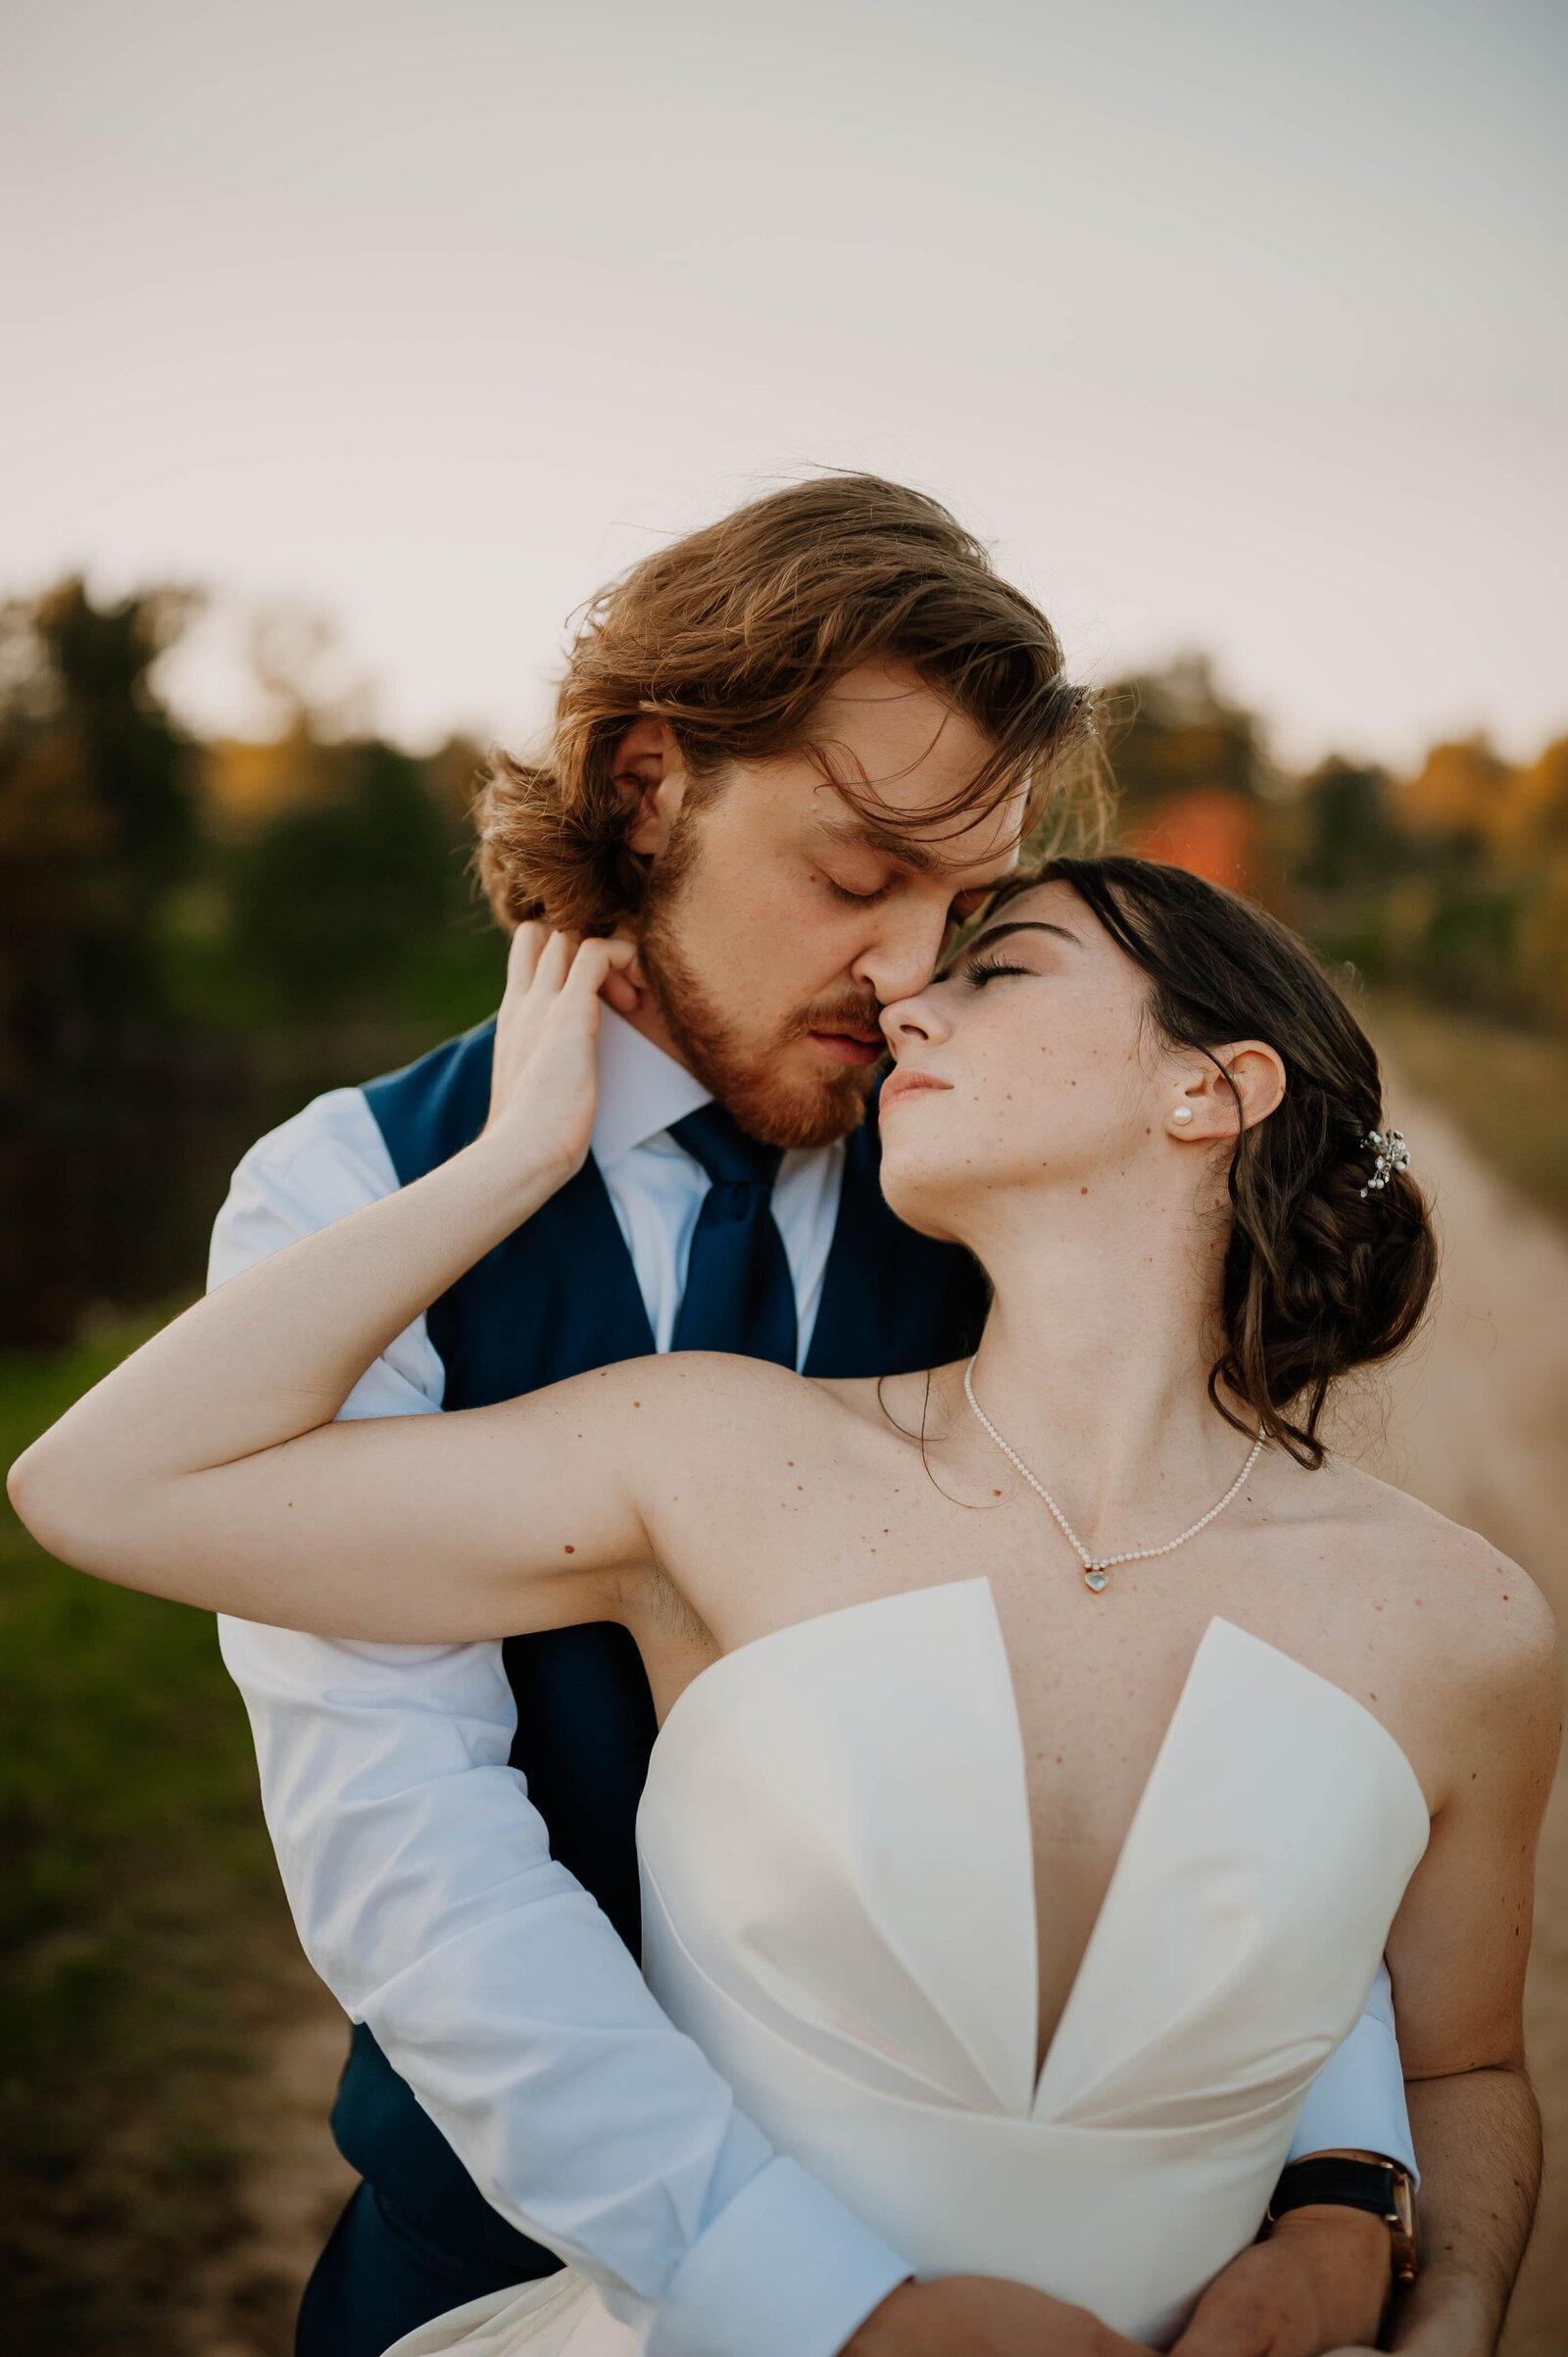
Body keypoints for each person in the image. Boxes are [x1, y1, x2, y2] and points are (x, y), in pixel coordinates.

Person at [184, 477, 1426, 2357]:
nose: (913, 974)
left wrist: (1346, 2168)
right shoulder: (346, 1196)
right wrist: (815, 2300)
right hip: (508, 2266)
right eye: (857, 877)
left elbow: (1218, 1696)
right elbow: (413, 1851)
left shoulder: (1001, 1178)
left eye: (967, 902)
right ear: (648, 783)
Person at [11, 853, 1558, 2352]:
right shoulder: (711, 1453)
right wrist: (510, 1157)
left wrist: (1442, 2302)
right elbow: (102, 1486)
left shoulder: (1465, 1623)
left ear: (1210, 1089)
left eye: (994, 966)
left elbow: (1465, 2061)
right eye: (870, 904)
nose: (906, 1007)